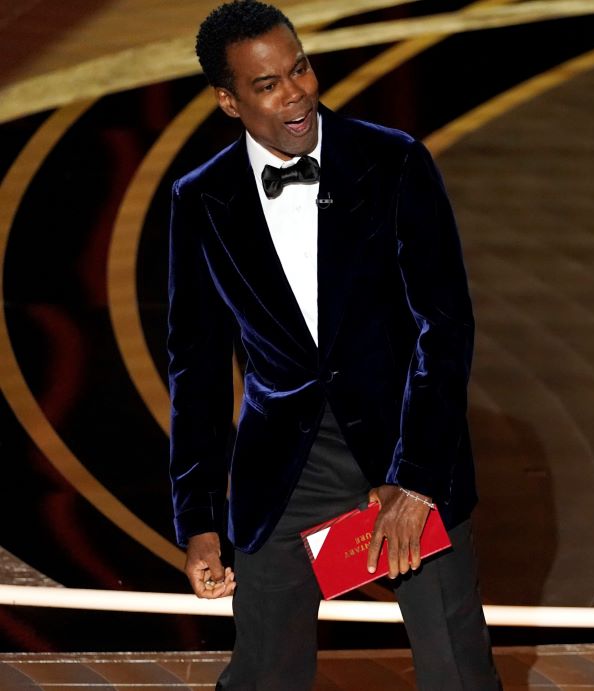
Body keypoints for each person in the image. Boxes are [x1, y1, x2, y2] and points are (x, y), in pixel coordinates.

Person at [166, 2, 501, 688]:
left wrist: (417, 478)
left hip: (405, 447)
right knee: (264, 671)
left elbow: (445, 326)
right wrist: (198, 516)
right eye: (267, 85)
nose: (296, 95)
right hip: (289, 469)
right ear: (228, 101)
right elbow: (195, 364)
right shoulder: (201, 199)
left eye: (301, 69)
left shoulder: (394, 160)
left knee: (456, 672)